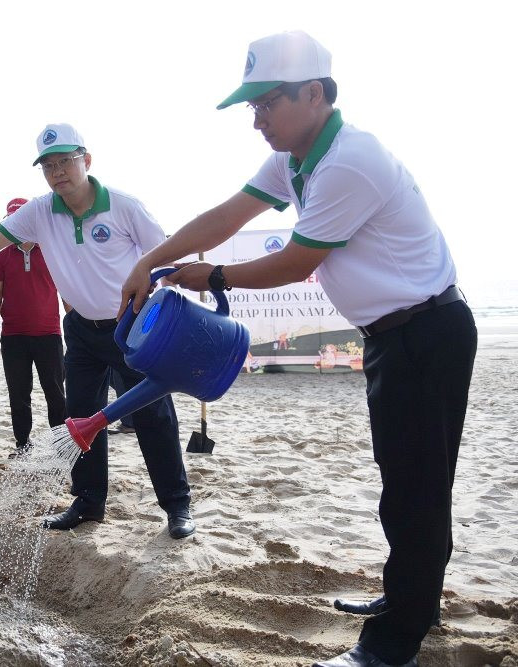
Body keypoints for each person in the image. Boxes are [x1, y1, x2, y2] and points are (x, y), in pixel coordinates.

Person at [121, 31, 476, 667]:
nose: (256, 121)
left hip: (427, 332)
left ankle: (392, 647)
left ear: (314, 94)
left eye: (266, 104)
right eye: (251, 109)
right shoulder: (296, 159)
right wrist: (153, 258)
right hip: (393, 337)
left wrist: (216, 277)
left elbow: (297, 261)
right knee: (402, 479)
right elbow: (228, 216)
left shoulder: (349, 160)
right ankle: (409, 598)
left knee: (418, 491)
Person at [0, 124, 195, 540]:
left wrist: (172, 312)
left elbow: (165, 257)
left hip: (134, 325)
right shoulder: (39, 211)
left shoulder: (124, 207)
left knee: (153, 415)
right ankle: (88, 501)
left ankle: (177, 506)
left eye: (65, 161)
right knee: (79, 418)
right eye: (48, 165)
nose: (58, 172)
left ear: (86, 160)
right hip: (82, 330)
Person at [0, 197, 67, 458]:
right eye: (12, 221)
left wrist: (79, 325)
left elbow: (67, 291)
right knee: (19, 395)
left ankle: (60, 444)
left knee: (55, 393)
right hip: (13, 336)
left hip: (49, 334)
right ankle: (23, 444)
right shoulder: (0, 258)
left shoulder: (52, 250)